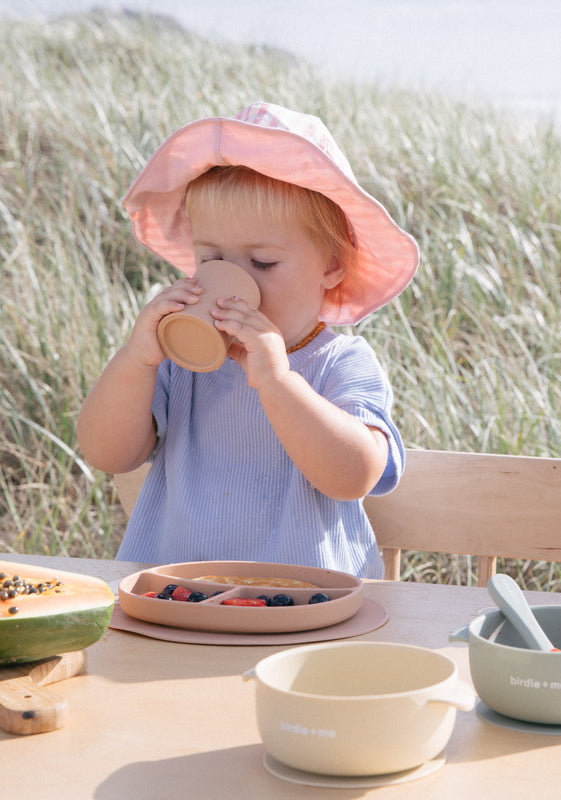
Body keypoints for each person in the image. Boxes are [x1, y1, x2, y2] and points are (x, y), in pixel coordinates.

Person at [77, 102, 419, 577]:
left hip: (304, 609)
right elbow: (105, 452)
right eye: (213, 259)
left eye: (262, 263)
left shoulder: (341, 363)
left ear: (331, 266)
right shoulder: (183, 363)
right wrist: (138, 358)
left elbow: (353, 476)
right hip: (179, 598)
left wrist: (278, 381)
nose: (237, 282)